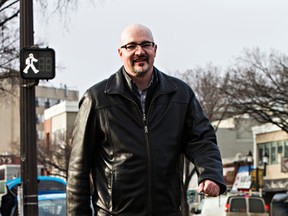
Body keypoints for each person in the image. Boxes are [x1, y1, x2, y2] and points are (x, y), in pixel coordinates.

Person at [67, 23, 226, 215]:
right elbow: (78, 169)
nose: (139, 52)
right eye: (131, 46)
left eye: (146, 45)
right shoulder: (97, 99)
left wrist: (210, 173)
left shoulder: (180, 95)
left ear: (155, 49)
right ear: (120, 53)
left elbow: (201, 139)